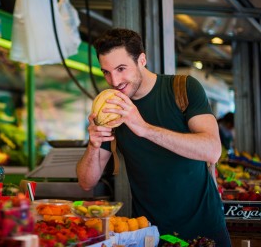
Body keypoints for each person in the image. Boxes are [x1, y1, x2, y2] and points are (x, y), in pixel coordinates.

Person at [76, 28, 231, 245]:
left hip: (205, 229)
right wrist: (93, 144)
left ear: (142, 60)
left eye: (121, 68)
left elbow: (213, 150)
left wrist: (145, 129)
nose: (114, 80)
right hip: (151, 235)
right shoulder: (112, 108)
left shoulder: (183, 88)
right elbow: (86, 182)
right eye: (106, 72)